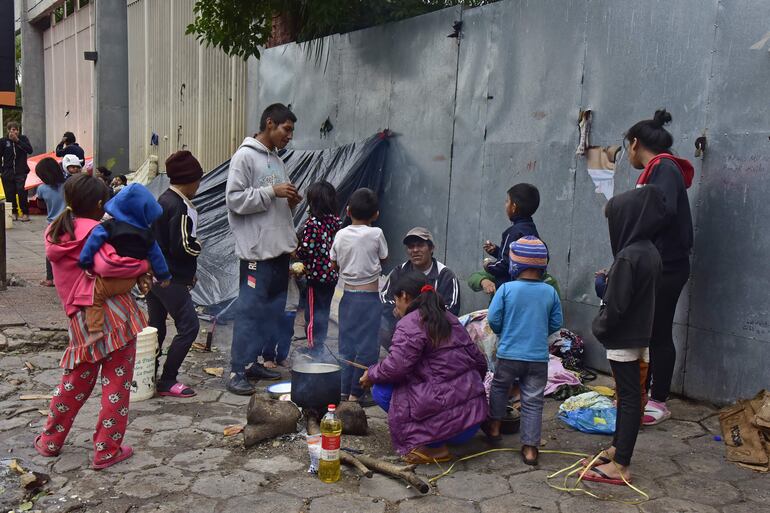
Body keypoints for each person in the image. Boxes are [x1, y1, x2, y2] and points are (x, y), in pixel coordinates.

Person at [35, 173, 151, 469]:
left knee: (75, 384)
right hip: (115, 316)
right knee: (116, 385)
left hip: (80, 320)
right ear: (100, 203)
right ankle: (106, 450)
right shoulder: (97, 231)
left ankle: (50, 441)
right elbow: (110, 265)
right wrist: (144, 265)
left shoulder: (54, 230)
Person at [359, 272, 488, 464]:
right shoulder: (450, 317)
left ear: (404, 296)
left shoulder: (411, 323)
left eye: (396, 301)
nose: (396, 307)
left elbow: (396, 367)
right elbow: (479, 362)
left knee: (381, 389)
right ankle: (438, 434)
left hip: (449, 427)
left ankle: (434, 447)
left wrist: (371, 374)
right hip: (471, 421)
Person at [584, 186, 665, 485]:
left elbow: (616, 306)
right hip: (641, 335)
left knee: (628, 399)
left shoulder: (628, 257)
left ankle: (621, 464)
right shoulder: (649, 252)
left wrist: (599, 327)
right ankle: (617, 448)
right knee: (631, 397)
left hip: (624, 338)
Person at [624, 109, 694, 426]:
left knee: (659, 332)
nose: (628, 154)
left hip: (667, 266)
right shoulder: (660, 169)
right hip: (659, 263)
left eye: (627, 147)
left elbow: (659, 212)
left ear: (635, 143)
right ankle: (644, 394)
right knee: (651, 331)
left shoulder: (664, 168)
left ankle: (659, 400)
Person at [225, 103, 301, 395]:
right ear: (270, 123)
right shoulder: (245, 156)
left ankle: (253, 361)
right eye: (286, 129)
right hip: (256, 253)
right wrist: (273, 192)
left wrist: (288, 201)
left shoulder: (277, 160)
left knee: (271, 311)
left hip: (278, 250)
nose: (289, 136)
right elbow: (235, 200)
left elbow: (272, 203)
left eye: (291, 131)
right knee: (250, 310)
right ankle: (235, 370)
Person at [483, 236, 562, 466]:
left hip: (508, 354)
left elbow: (493, 318)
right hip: (537, 357)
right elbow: (556, 323)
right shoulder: (550, 292)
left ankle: (495, 427)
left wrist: (504, 331)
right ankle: (530, 449)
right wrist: (538, 331)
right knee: (533, 400)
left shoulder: (506, 288)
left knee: (499, 387)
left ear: (514, 265)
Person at [78, 183, 172, 344]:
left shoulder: (109, 226)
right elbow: (157, 257)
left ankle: (95, 330)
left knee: (93, 298)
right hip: (130, 281)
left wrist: (85, 262)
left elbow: (92, 243)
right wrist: (164, 276)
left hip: (108, 280)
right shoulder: (147, 235)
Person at [146, 151, 203, 398]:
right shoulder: (178, 206)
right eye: (198, 180)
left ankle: (148, 376)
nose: (199, 185)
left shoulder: (163, 200)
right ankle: (168, 379)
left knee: (156, 328)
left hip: (155, 277)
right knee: (190, 326)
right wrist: (198, 246)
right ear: (190, 180)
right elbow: (182, 245)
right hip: (170, 278)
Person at [331, 188, 388, 405]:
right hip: (369, 299)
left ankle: (344, 391)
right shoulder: (376, 233)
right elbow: (384, 257)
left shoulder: (340, 234)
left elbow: (334, 262)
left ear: (347, 211)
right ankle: (357, 394)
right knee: (367, 347)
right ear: (376, 214)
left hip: (347, 298)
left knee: (346, 344)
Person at [379, 227, 461, 350]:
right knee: (378, 322)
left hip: (434, 332)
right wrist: (396, 309)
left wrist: (418, 317)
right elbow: (385, 298)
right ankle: (398, 354)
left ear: (431, 248)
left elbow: (452, 308)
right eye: (411, 247)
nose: (415, 250)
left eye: (420, 245)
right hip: (401, 327)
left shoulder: (445, 275)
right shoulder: (400, 271)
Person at [467, 183, 541, 297]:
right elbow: (518, 257)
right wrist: (497, 251)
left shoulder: (511, 232)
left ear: (514, 207)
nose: (505, 205)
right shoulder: (532, 229)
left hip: (507, 293)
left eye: (507, 201)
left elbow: (504, 265)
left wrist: (488, 265)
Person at [295, 180, 341, 358]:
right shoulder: (336, 222)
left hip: (315, 277)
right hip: (331, 275)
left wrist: (296, 252)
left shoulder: (311, 224)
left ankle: (313, 347)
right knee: (324, 311)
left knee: (312, 314)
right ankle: (319, 343)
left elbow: (306, 250)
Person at [34, 157, 67, 287]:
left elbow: (40, 206)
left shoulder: (42, 189)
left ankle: (50, 278)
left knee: (51, 251)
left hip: (53, 224)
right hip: (70, 222)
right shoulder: (68, 185)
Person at [261, 265, 300, 368]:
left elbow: (303, 284)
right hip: (275, 303)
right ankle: (268, 357)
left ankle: (282, 357)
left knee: (287, 332)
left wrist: (298, 275)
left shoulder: (297, 260)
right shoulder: (275, 258)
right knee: (272, 331)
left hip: (290, 303)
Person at [1, 121, 33, 222]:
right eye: (12, 130)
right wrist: (1, 170)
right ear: (8, 131)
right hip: (7, 172)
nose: (13, 132)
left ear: (18, 131)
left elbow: (29, 150)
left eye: (15, 130)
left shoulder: (23, 139)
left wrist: (17, 141)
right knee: (9, 194)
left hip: (21, 172)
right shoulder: (3, 141)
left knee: (22, 193)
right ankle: (13, 213)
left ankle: (25, 213)